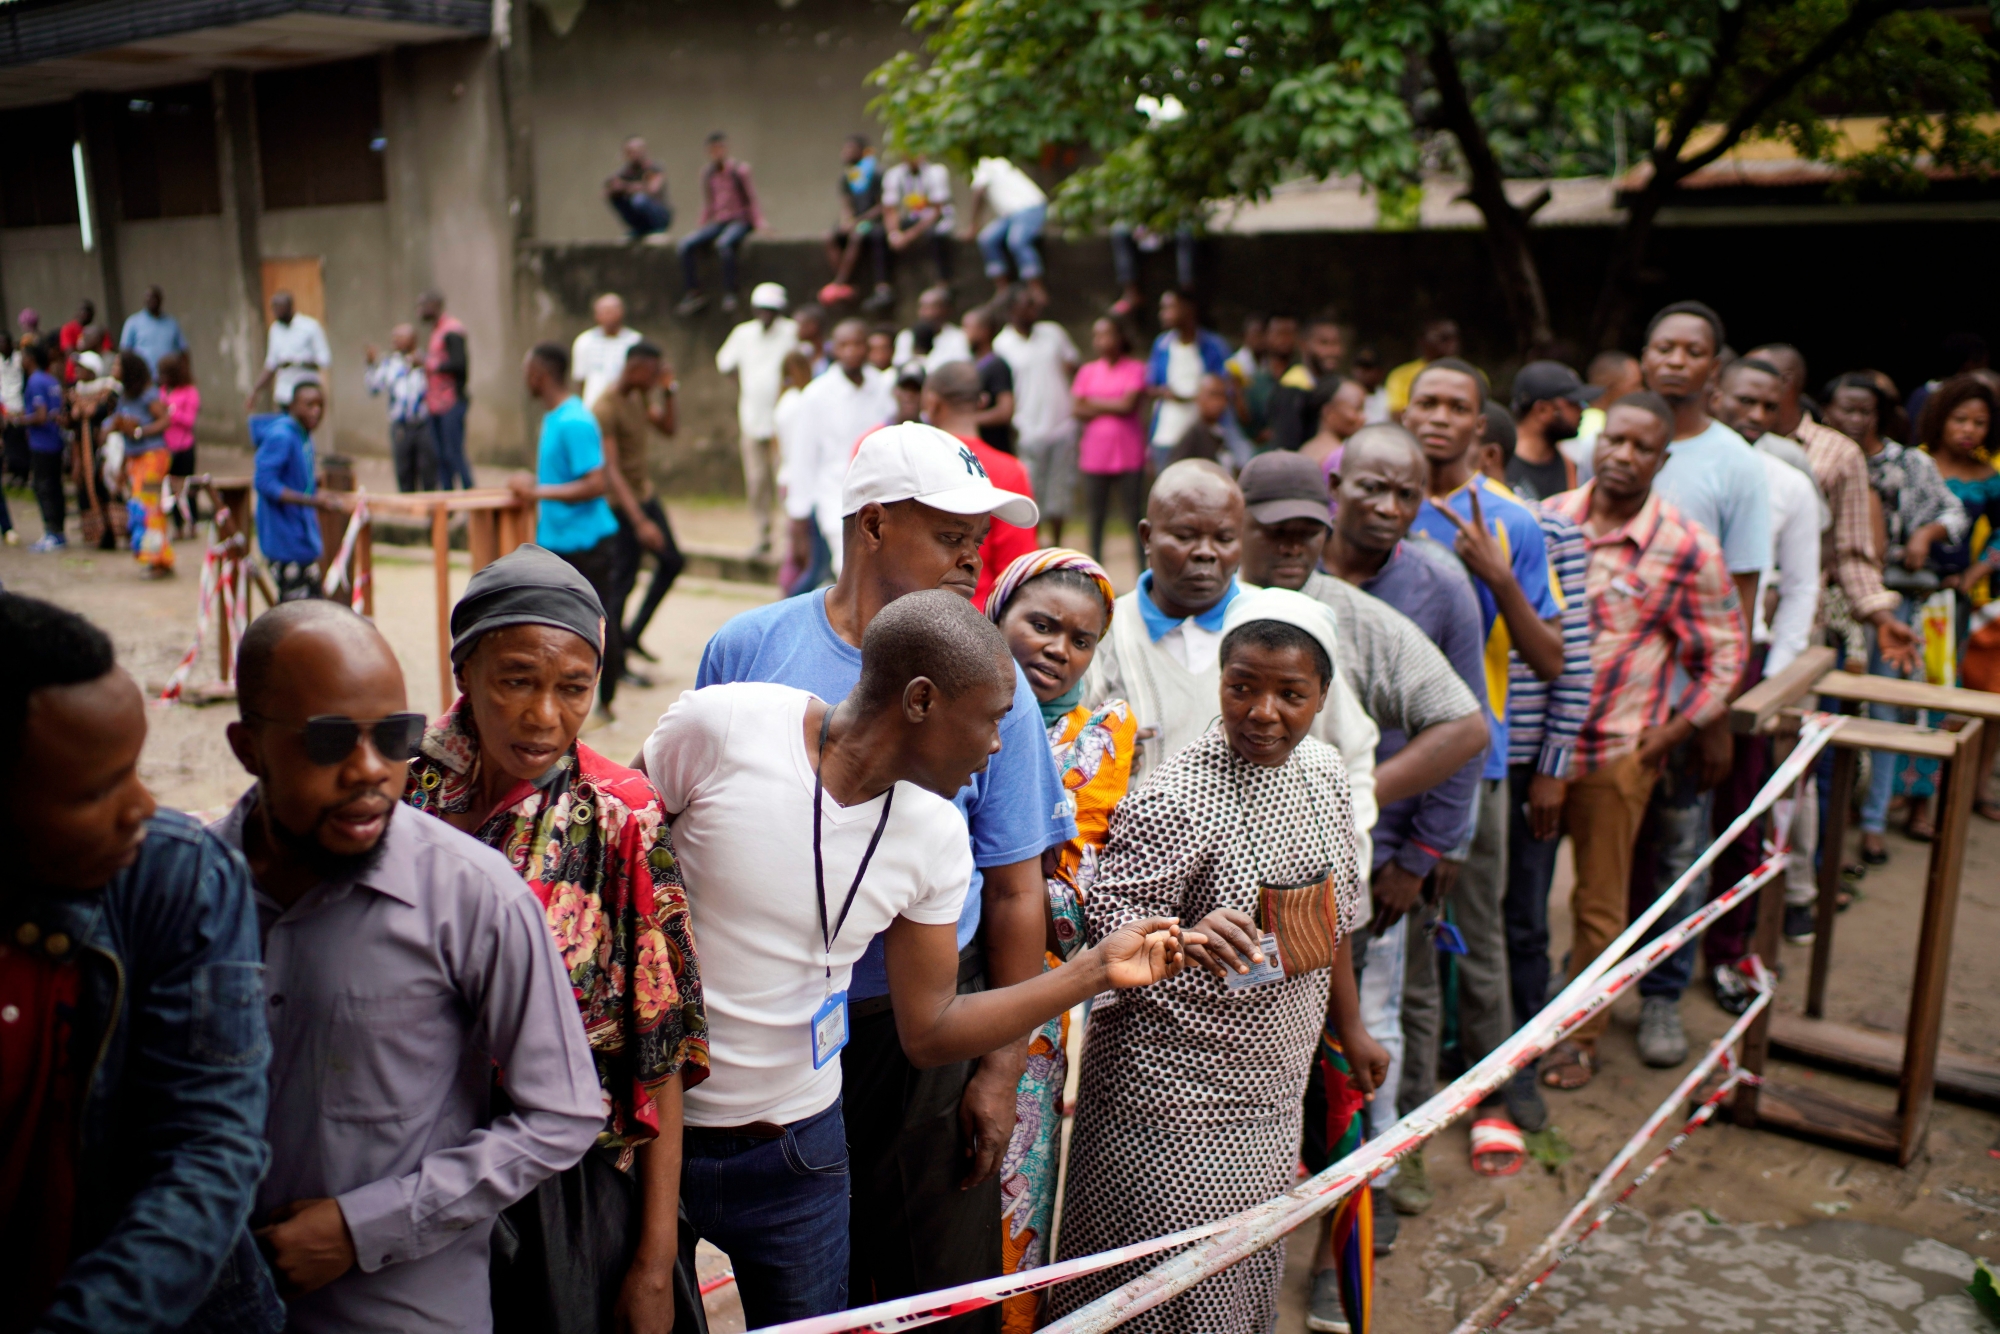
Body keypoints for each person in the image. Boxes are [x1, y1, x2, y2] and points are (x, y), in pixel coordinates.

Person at [658, 589, 1183, 1325]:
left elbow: (930, 1029)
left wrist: (1090, 973)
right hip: (658, 1133)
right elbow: (620, 862)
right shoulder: (725, 725)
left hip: (800, 1151)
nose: (998, 747)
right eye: (991, 720)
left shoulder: (934, 836)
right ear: (921, 701)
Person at [693, 424, 1067, 1332]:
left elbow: (1016, 887)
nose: (970, 561)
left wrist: (999, 1069)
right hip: (770, 1042)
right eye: (948, 537)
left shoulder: (987, 678)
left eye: (978, 543)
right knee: (799, 1280)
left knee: (932, 1290)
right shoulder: (750, 652)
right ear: (870, 526)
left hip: (926, 1039)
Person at [217, 600, 603, 1332]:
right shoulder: (183, 895)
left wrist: (364, 1228)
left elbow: (563, 1112)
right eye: (329, 741)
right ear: (247, 747)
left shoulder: (474, 897)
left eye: (394, 737)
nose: (370, 771)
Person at [1054, 587, 1384, 1334]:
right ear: (1222, 682)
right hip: (1167, 1100)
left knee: (1234, 1279)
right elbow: (1104, 926)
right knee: (1155, 1287)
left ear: (1322, 697)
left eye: (1290, 694)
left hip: (1271, 1093)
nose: (1263, 711)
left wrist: (1352, 1031)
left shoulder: (1326, 776)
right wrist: (1183, 937)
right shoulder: (1176, 796)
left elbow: (1331, 924)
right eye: (1243, 687)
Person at [401, 547, 710, 1334]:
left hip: (565, 1193)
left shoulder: (619, 818)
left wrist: (651, 1260)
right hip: (407, 1161)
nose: (544, 716)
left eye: (573, 688)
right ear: (464, 671)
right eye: (516, 681)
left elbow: (659, 1050)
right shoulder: (402, 795)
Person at [1237, 445, 1486, 1275]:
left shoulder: (1356, 620)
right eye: (1276, 531)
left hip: (1320, 893)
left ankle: (1354, 1225)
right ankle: (1244, 1238)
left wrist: (1357, 798)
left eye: (1308, 533)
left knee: (1352, 1049)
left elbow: (1465, 723)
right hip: (1213, 907)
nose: (1293, 547)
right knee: (1250, 1066)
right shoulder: (1192, 611)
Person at [4, 593, 279, 1334]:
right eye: (96, 790)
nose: (144, 805)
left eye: (134, 767)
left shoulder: (176, 875)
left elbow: (211, 1148)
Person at [1538, 394, 1745, 1090]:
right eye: (1615, 441)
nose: (1624, 456)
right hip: (1535, 752)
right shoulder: (1549, 518)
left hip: (1614, 754)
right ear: (1598, 442)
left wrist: (1676, 730)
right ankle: (1511, 1027)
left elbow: (1725, 654)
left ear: (1663, 459)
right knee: (1520, 901)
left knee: (1598, 904)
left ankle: (1579, 1035)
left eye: (1641, 448)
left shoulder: (1687, 546)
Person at [981, 550, 1135, 1332]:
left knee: (1010, 1190)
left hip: (1030, 1019)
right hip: (910, 991)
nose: (1057, 649)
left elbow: (1074, 912)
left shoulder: (1103, 735)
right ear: (996, 615)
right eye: (1040, 624)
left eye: (1080, 640)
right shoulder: (941, 703)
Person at [1615, 305, 1770, 1067]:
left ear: (1715, 367)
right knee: (1611, 856)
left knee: (1680, 849)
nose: (1676, 360)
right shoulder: (1604, 439)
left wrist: (1717, 712)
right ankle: (1592, 988)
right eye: (1662, 347)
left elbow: (1740, 602)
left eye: (1693, 351)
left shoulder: (1735, 463)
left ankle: (1663, 998)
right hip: (1612, 705)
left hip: (1684, 704)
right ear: (1644, 357)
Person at [1700, 357, 1825, 1002]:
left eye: (1766, 406)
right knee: (1658, 820)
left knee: (1741, 816)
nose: (1752, 415)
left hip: (1752, 665)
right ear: (1717, 395)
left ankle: (1725, 952)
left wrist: (1774, 683)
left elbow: (1802, 586)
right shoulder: (1683, 467)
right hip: (1679, 660)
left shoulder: (1790, 485)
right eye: (1742, 400)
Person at [508, 343, 621, 720]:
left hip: (589, 544)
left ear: (539, 374)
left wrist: (537, 491)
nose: (524, 379)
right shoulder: (553, 417)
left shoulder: (575, 420)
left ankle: (605, 703)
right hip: (559, 544)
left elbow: (595, 483)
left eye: (526, 371)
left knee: (600, 623)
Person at [1919, 374, 2000, 819]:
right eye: (1961, 419)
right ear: (1940, 420)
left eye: (1980, 422)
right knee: (1899, 690)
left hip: (1951, 601)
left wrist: (1976, 571)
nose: (1970, 430)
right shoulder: (1915, 463)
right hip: (1905, 593)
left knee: (1942, 690)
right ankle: (1883, 794)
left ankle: (1923, 801)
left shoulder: (1988, 479)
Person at [592, 342, 687, 689]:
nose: (656, 377)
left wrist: (669, 391)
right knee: (621, 586)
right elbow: (610, 470)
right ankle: (616, 663)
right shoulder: (605, 408)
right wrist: (639, 522)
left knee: (673, 561)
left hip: (644, 495)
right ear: (635, 368)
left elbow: (668, 428)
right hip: (622, 507)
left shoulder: (640, 396)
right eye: (654, 371)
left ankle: (630, 636)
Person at [921, 361, 1037, 606]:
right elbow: (1016, 571)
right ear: (982, 402)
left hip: (917, 616)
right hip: (981, 621)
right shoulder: (1010, 470)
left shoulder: (917, 461)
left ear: (932, 403)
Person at [789, 319, 895, 579]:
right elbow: (803, 457)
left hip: (882, 494)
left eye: (857, 344)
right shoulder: (817, 395)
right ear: (833, 349)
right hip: (834, 495)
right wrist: (798, 514)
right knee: (847, 566)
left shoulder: (882, 387)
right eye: (844, 345)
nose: (851, 351)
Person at [715, 283, 799, 557]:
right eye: (762, 309)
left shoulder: (791, 332)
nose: (766, 315)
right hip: (751, 419)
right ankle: (763, 534)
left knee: (784, 479)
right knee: (756, 480)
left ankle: (790, 539)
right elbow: (725, 363)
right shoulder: (743, 334)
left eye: (771, 310)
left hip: (783, 422)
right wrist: (747, 390)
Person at [994, 288, 1080, 544]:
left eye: (1034, 305)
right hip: (1027, 428)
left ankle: (1056, 544)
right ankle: (1034, 546)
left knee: (1059, 492)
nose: (1033, 310)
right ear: (1012, 311)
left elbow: (1073, 363)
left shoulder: (1053, 333)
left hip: (1062, 425)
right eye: (1026, 305)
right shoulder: (1002, 344)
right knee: (1032, 492)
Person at [252, 380, 341, 601]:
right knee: (296, 616)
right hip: (283, 543)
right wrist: (312, 501)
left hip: (302, 541)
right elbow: (264, 482)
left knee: (314, 609)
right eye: (309, 404)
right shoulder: (282, 436)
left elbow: (299, 482)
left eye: (320, 405)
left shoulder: (304, 435)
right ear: (292, 406)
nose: (316, 411)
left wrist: (315, 491)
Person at [1073, 316, 1149, 569]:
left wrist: (1093, 402)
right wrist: (1112, 404)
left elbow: (1128, 405)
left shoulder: (1135, 368)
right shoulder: (1087, 371)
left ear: (1120, 337)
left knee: (1134, 515)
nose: (1101, 341)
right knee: (1095, 517)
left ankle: (1142, 569)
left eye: (1107, 334)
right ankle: (1094, 571)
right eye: (1097, 335)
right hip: (1095, 455)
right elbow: (1077, 409)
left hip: (1128, 454)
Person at [676, 131, 763, 315]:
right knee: (686, 245)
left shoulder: (739, 170)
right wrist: (701, 225)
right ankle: (694, 292)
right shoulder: (707, 173)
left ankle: (730, 292)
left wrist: (760, 223)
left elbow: (751, 199)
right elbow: (708, 203)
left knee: (724, 245)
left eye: (720, 149)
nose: (717, 153)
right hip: (719, 221)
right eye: (713, 150)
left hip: (739, 220)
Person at [1146, 291, 1232, 471]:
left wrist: (1198, 396)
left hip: (1204, 433)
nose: (1163, 314)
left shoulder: (1213, 345)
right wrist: (1167, 393)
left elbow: (1225, 384)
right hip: (1168, 433)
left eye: (1170, 308)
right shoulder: (1161, 345)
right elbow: (1150, 385)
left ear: (1188, 310)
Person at [109, 350, 174, 574]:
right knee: (141, 508)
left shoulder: (148, 394)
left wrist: (139, 431)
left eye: (117, 365)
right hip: (135, 460)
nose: (113, 369)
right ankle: (153, 556)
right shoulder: (124, 395)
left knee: (150, 508)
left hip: (153, 458)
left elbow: (166, 420)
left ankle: (159, 560)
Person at [1506, 360, 1598, 501]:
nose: (1582, 410)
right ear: (1542, 410)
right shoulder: (1500, 463)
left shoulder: (1569, 465)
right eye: (1573, 403)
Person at [772, 350, 823, 595]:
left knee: (796, 550)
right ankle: (788, 600)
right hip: (797, 480)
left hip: (788, 477)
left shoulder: (785, 400)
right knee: (800, 553)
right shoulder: (799, 403)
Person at [363, 324, 436, 493]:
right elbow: (373, 388)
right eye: (393, 337)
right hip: (401, 426)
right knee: (404, 470)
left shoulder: (427, 360)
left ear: (413, 340)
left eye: (400, 337)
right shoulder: (390, 363)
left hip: (424, 423)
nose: (394, 341)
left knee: (428, 468)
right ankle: (408, 511)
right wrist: (370, 364)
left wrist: (424, 366)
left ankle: (432, 512)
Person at [966, 156, 1049, 304]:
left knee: (1017, 241)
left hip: (1030, 208)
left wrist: (973, 224)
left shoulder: (986, 166)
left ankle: (1035, 287)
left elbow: (979, 193)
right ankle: (1002, 288)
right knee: (986, 239)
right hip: (1010, 215)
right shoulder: (999, 166)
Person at [824, 135, 892, 313]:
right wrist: (847, 221)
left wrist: (858, 221)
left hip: (873, 222)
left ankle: (841, 282)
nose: (846, 154)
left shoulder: (877, 173)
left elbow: (883, 205)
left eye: (850, 150)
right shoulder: (847, 177)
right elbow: (846, 205)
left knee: (857, 236)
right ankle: (845, 281)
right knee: (831, 237)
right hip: (856, 221)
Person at [420, 290, 475, 490]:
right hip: (435, 404)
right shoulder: (436, 331)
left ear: (435, 305)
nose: (419, 311)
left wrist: (429, 364)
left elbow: (460, 366)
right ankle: (448, 502)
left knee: (454, 453)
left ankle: (470, 498)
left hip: (451, 402)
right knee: (440, 455)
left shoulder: (452, 330)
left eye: (423, 306)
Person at [1268, 316, 1346, 454]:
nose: (1332, 351)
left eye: (1336, 343)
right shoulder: (1293, 386)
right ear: (1304, 344)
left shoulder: (1334, 383)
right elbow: (1287, 447)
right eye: (1324, 343)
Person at [246, 290, 329, 414]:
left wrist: (296, 362)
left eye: (279, 308)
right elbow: (271, 365)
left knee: (302, 429)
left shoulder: (310, 327)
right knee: (286, 427)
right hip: (284, 393)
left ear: (290, 307)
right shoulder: (275, 330)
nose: (275, 312)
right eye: (273, 308)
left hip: (306, 393)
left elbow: (325, 359)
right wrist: (256, 391)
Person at [884, 151, 955, 285]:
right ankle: (884, 287)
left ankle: (943, 282)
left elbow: (937, 211)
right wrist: (894, 234)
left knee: (937, 236)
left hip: (935, 219)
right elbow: (890, 209)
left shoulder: (936, 172)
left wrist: (909, 236)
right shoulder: (894, 175)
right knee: (879, 236)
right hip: (910, 219)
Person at [21, 343, 67, 551]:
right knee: (56, 487)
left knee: (43, 487)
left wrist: (19, 420)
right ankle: (59, 531)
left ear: (30, 358)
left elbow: (40, 415)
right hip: (56, 442)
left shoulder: (35, 381)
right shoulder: (51, 380)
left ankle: (52, 533)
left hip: (42, 444)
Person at [571, 293, 644, 411]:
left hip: (625, 410)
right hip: (593, 409)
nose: (608, 316)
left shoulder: (635, 342)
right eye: (604, 311)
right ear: (596, 315)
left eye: (612, 311)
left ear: (621, 313)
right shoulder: (584, 342)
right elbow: (580, 381)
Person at [962, 306, 1017, 454]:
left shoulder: (997, 366)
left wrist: (969, 420)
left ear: (984, 331)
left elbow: (1005, 410)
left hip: (995, 448)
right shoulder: (971, 364)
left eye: (968, 328)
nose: (964, 334)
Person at [1384, 318, 1460, 418]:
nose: (1450, 344)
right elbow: (1397, 414)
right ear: (1422, 341)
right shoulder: (1401, 375)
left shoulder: (1473, 375)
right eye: (1443, 338)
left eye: (1453, 338)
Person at [892, 285, 973, 372]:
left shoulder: (959, 336)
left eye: (933, 307)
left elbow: (962, 365)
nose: (928, 313)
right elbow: (900, 365)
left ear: (947, 309)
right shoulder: (907, 336)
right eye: (923, 307)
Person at [1298, 376, 1369, 474]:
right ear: (1328, 412)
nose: (1364, 417)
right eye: (1357, 409)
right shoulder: (1340, 458)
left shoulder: (1305, 449)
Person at [605, 135, 670, 240]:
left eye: (637, 151)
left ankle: (657, 230)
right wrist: (614, 189)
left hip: (659, 215)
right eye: (630, 152)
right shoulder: (625, 172)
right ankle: (640, 228)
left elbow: (652, 188)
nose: (634, 155)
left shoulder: (653, 168)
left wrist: (626, 187)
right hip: (639, 217)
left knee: (639, 199)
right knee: (616, 198)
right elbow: (610, 189)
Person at [1167, 373, 1235, 469]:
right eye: (1213, 395)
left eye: (1222, 396)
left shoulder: (1219, 432)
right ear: (1199, 398)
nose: (1219, 402)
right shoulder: (1194, 434)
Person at [117, 285, 189, 374]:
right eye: (149, 298)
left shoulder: (171, 323)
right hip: (144, 379)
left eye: (155, 298)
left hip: (169, 379)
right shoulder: (133, 323)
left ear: (161, 299)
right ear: (144, 300)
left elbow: (183, 351)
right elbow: (125, 352)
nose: (152, 301)